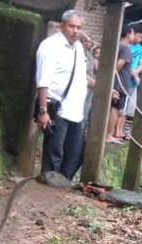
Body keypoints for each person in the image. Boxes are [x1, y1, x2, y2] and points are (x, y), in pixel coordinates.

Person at [35, 10, 87, 181]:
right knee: (54, 152)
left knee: (76, 152)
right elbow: (43, 81)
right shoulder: (50, 46)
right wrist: (43, 112)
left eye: (78, 27)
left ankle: (63, 184)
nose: (75, 31)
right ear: (62, 26)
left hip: (77, 110)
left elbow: (79, 75)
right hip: (58, 108)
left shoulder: (78, 48)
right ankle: (47, 187)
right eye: (71, 26)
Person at [107, 28, 135, 144]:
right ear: (128, 34)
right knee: (115, 109)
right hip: (120, 84)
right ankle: (108, 135)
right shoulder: (126, 48)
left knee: (111, 108)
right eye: (133, 34)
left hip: (114, 82)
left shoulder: (116, 45)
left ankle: (107, 133)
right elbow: (119, 65)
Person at [122, 27, 142, 138]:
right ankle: (118, 130)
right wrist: (133, 74)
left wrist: (136, 72)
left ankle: (124, 131)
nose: (140, 39)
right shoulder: (126, 47)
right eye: (139, 36)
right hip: (125, 79)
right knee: (122, 107)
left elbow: (141, 63)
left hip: (133, 82)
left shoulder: (140, 48)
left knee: (129, 108)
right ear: (133, 34)